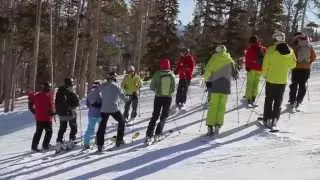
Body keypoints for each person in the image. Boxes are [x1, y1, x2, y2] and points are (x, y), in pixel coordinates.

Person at [261, 31, 296, 131]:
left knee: (269, 99)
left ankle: (267, 118)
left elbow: (265, 64)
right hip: (282, 80)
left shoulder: (271, 49)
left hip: (271, 79)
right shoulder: (290, 50)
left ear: (275, 38)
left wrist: (265, 75)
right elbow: (293, 64)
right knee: (278, 100)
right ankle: (275, 119)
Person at [204, 45, 238, 137]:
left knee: (213, 105)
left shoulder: (215, 58)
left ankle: (210, 125)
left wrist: (207, 80)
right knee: (221, 106)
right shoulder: (229, 59)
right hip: (226, 86)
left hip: (215, 84)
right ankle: (218, 125)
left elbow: (208, 70)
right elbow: (235, 74)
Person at [145, 58, 176, 143]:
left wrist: (156, 90)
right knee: (163, 116)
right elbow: (173, 88)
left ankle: (149, 134)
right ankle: (158, 134)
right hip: (168, 98)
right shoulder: (172, 75)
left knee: (155, 116)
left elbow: (151, 87)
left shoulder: (157, 74)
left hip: (158, 97)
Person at [96, 72, 128, 152]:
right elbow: (123, 97)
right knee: (122, 121)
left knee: (102, 127)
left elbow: (96, 94)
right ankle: (119, 140)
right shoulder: (116, 86)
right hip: (114, 109)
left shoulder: (102, 85)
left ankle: (100, 145)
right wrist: (128, 99)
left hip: (103, 109)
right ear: (114, 78)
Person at [288, 32, 317, 110]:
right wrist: (308, 63)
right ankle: (299, 100)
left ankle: (292, 100)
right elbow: (314, 57)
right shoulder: (309, 46)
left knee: (294, 84)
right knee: (302, 84)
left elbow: (291, 57)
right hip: (306, 69)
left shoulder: (295, 46)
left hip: (296, 68)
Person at [55, 78, 80, 151]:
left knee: (62, 128)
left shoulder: (59, 91)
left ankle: (59, 142)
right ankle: (71, 140)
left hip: (61, 113)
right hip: (70, 113)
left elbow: (56, 102)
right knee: (73, 127)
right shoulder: (70, 92)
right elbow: (76, 102)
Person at [29, 82, 54, 152]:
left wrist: (34, 111)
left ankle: (34, 147)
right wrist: (51, 113)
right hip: (46, 118)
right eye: (49, 87)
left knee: (38, 132)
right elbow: (50, 107)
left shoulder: (38, 95)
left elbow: (30, 102)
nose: (49, 89)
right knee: (49, 132)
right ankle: (45, 145)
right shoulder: (47, 96)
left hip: (39, 118)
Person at [244, 35, 267, 107]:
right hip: (260, 69)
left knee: (250, 83)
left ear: (251, 42)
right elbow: (266, 58)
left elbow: (247, 59)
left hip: (251, 69)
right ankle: (253, 97)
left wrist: (247, 67)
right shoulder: (263, 48)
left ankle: (248, 98)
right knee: (256, 83)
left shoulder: (250, 49)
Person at [83, 81, 102, 150]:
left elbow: (87, 104)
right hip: (100, 114)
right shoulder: (101, 94)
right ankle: (98, 141)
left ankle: (86, 143)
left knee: (89, 129)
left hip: (91, 114)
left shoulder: (89, 94)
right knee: (100, 129)